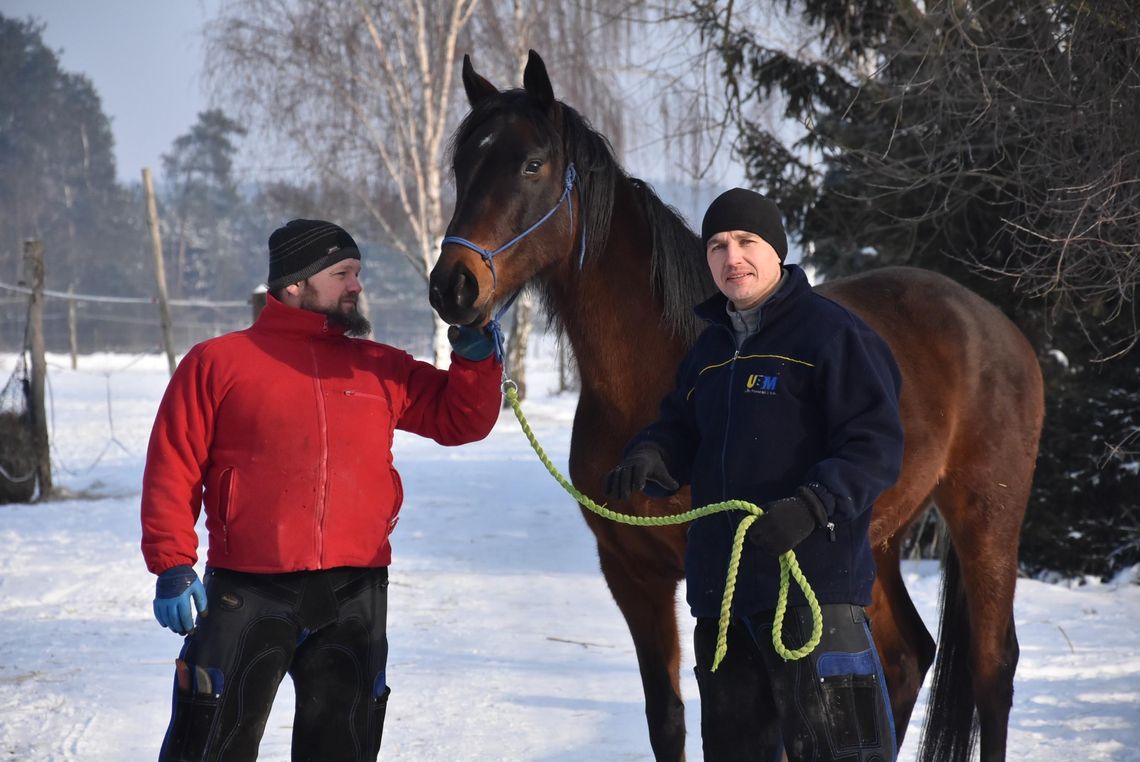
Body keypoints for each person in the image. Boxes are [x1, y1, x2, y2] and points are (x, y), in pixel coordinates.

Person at [141, 219, 502, 761]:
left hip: (354, 594)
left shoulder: (379, 365)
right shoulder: (218, 363)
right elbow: (173, 467)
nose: (356, 285)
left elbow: (460, 420)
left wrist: (475, 355)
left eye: (357, 272)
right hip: (249, 591)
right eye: (341, 273)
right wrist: (173, 565)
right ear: (293, 284)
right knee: (210, 744)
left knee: (344, 749)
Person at [605, 189, 905, 761]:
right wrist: (653, 455)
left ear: (777, 250)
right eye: (717, 245)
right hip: (725, 604)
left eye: (746, 241)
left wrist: (812, 505)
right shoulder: (711, 348)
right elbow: (681, 428)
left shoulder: (832, 335)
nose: (731, 256)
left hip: (812, 593)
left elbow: (875, 446)